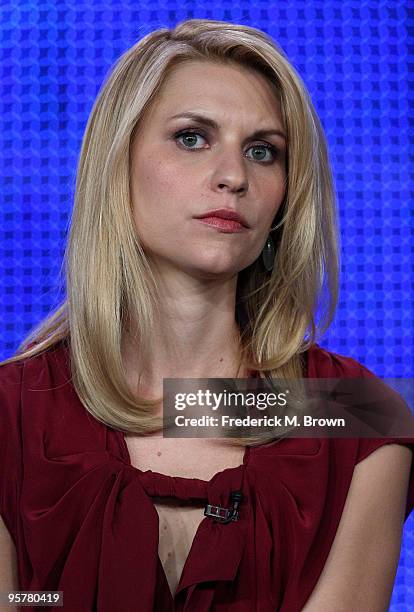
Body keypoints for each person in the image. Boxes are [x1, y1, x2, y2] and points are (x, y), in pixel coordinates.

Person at [0, 18, 413, 612]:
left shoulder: (357, 414)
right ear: (117, 167)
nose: (234, 177)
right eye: (192, 138)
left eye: (262, 151)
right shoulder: (14, 414)